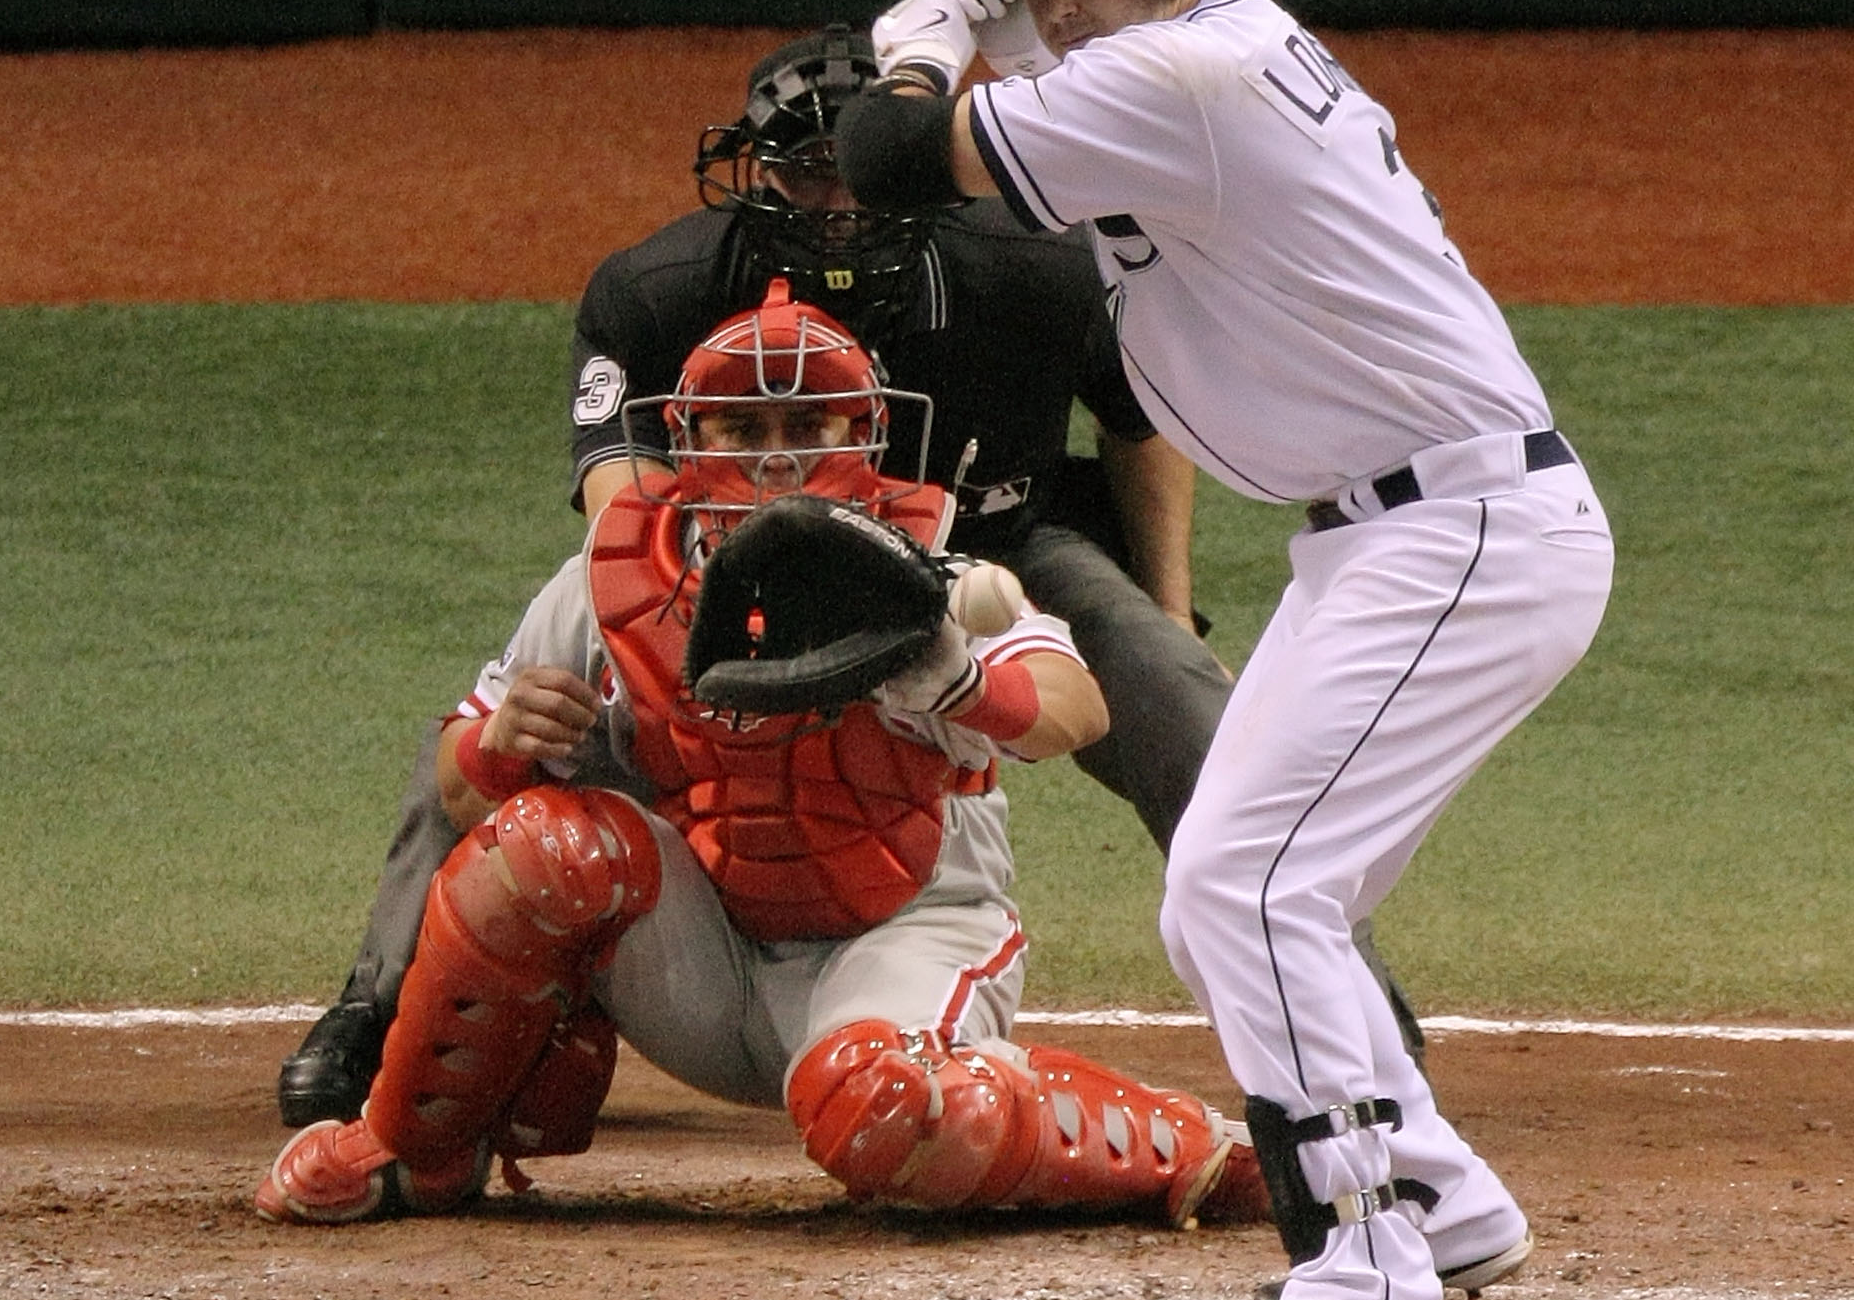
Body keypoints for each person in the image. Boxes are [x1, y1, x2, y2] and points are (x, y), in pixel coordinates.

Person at [841, 0, 1616, 1300]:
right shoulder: (1204, 44)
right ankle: (1437, 1198)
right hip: (1391, 538)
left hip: (1459, 530)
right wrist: (1004, 30)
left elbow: (888, 158)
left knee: (1259, 884)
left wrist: (927, 51)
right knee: (1228, 894)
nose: (1064, 10)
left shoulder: (1183, 80)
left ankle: (1369, 1293)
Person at [275, 24, 1243, 1133]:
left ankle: (1315, 986)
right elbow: (624, 527)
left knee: (1174, 689)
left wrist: (1167, 609)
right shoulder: (661, 289)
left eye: (857, 166)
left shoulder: (1035, 266)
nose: (832, 195)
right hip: (733, 555)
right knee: (529, 705)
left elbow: (1139, 425)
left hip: (995, 543)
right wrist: (669, 621)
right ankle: (380, 1004)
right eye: (801, 166)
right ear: (753, 167)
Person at [253, 295, 1269, 1239]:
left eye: (808, 428)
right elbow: (459, 789)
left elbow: (1073, 711)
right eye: (746, 431)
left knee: (878, 1107)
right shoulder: (608, 583)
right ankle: (417, 1150)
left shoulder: (933, 573)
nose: (777, 461)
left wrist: (953, 678)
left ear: (862, 436)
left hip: (906, 935)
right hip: (707, 966)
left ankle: (1195, 1149)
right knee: (539, 846)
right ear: (688, 441)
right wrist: (500, 736)